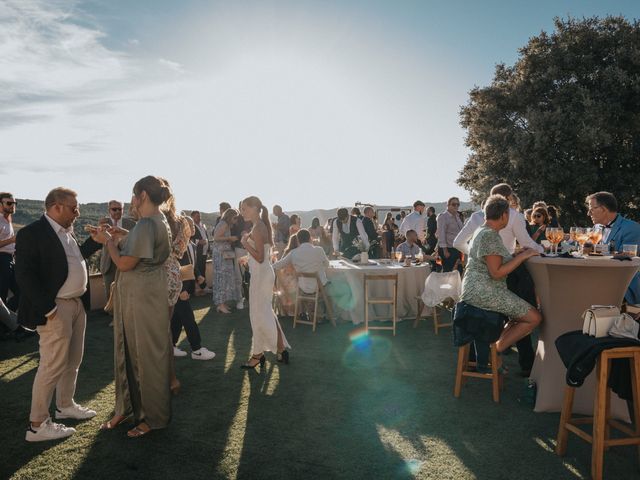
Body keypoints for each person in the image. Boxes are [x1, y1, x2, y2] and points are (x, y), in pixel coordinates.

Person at [15, 187, 102, 441]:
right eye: (74, 208)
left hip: (76, 305)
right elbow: (24, 275)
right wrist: (49, 309)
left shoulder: (66, 232)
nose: (78, 213)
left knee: (73, 361)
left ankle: (65, 406)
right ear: (55, 207)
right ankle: (37, 425)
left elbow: (73, 260)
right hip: (56, 308)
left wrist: (94, 243)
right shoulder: (32, 233)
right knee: (52, 365)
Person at [95, 175, 173, 438]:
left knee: (146, 356)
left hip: (141, 297)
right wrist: (124, 235)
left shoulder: (147, 224)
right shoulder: (156, 221)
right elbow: (144, 243)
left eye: (132, 194)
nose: (130, 200)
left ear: (141, 196)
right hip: (147, 294)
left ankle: (151, 417)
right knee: (136, 350)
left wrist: (107, 241)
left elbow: (125, 264)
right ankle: (129, 407)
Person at [453, 184, 543, 375]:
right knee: (534, 317)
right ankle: (495, 350)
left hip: (477, 290)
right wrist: (522, 256)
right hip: (486, 293)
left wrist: (517, 253)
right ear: (503, 215)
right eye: (508, 214)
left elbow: (491, 260)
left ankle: (492, 349)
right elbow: (496, 272)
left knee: (518, 317)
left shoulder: (482, 231)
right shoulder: (490, 236)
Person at [240, 196, 291, 368]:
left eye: (245, 208)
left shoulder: (258, 227)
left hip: (261, 275)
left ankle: (258, 354)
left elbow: (261, 257)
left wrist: (244, 243)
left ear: (255, 208)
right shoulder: (260, 225)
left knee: (258, 314)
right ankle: (280, 349)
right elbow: (262, 254)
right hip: (263, 273)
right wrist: (247, 258)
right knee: (265, 313)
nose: (242, 212)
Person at [172, 216, 216, 360]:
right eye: (189, 225)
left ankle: (170, 346)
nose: (193, 228)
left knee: (178, 318)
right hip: (180, 288)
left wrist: (198, 276)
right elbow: (178, 269)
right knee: (188, 318)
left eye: (192, 225)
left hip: (186, 287)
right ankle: (197, 349)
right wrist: (182, 289)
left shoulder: (190, 244)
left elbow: (191, 263)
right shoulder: (178, 245)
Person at [587, 191, 640, 304]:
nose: (588, 213)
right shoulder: (596, 228)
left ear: (604, 209)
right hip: (597, 279)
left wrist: (595, 250)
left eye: (592, 209)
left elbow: (625, 257)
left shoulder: (632, 228)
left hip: (622, 285)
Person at [99, 200, 136, 313]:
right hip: (109, 263)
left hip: (126, 261)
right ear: (109, 210)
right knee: (110, 293)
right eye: (114, 209)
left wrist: (122, 233)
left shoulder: (130, 224)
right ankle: (113, 317)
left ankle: (126, 317)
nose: (117, 211)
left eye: (120, 209)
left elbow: (136, 241)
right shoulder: (103, 224)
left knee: (126, 291)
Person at [0, 192, 19, 312]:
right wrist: (12, 240)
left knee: (22, 292)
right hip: (1, 260)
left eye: (14, 203)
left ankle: (8, 323)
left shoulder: (8, 219)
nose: (12, 205)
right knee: (2, 295)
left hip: (9, 260)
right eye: (9, 203)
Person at [274, 233, 300, 317]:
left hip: (281, 282)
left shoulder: (286, 252)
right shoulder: (294, 253)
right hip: (289, 282)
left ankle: (287, 310)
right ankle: (298, 310)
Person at [436, 197, 464, 272]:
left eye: (458, 204)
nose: (456, 206)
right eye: (454, 204)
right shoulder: (443, 217)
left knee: (458, 271)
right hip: (448, 249)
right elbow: (441, 234)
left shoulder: (457, 216)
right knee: (448, 272)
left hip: (457, 248)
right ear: (448, 205)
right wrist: (445, 250)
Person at [189, 210, 210, 294]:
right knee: (198, 270)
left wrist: (208, 249)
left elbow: (206, 237)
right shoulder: (192, 226)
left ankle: (203, 287)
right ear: (193, 217)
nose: (199, 217)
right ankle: (200, 288)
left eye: (199, 216)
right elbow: (190, 238)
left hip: (204, 252)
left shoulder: (202, 225)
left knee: (203, 269)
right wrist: (198, 241)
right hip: (197, 252)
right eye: (197, 216)